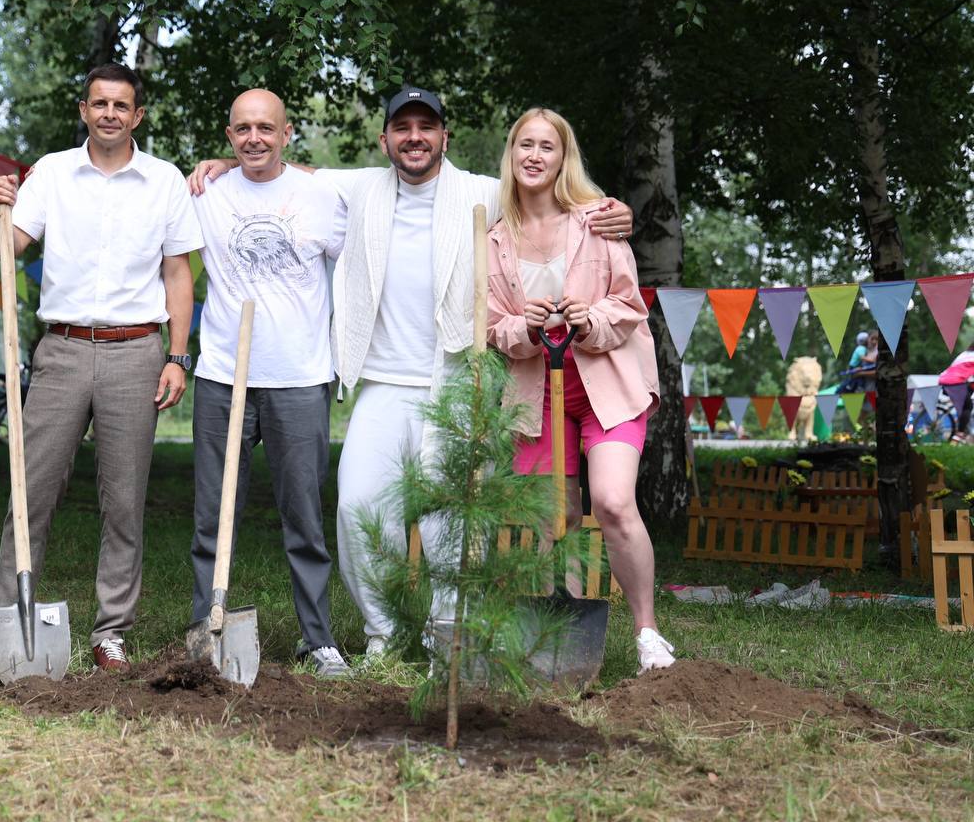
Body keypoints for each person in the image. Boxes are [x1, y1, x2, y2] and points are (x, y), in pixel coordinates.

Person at [191, 87, 633, 656]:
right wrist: (227, 161)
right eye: (403, 128)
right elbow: (279, 163)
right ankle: (386, 629)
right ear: (385, 140)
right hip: (380, 380)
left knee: (450, 518)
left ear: (444, 137)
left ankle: (442, 633)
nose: (415, 137)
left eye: (427, 127)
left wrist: (610, 209)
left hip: (454, 377)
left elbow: (549, 194)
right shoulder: (359, 188)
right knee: (357, 505)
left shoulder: (483, 192)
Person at [0, 62, 201, 670]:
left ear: (138, 115)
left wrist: (179, 356)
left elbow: (178, 272)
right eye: (99, 104)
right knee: (32, 489)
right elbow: (8, 248)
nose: (109, 114)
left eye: (120, 106)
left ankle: (111, 633)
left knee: (124, 501)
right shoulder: (50, 173)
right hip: (64, 349)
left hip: (137, 351)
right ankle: (6, 617)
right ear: (83, 111)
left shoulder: (164, 182)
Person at [485, 107, 673, 675]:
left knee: (613, 503)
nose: (535, 156)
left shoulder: (597, 223)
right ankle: (560, 632)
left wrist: (586, 319)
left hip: (604, 383)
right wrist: (527, 326)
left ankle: (647, 633)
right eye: (525, 144)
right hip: (536, 388)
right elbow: (493, 326)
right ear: (511, 155)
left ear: (564, 159)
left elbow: (629, 304)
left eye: (548, 146)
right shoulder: (494, 239)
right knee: (551, 518)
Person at [188, 89, 349, 677]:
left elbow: (374, 230)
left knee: (303, 514)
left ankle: (318, 638)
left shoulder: (320, 196)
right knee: (214, 513)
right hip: (222, 377)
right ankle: (206, 628)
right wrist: (223, 168)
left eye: (266, 128)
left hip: (300, 378)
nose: (254, 138)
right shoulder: (205, 194)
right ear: (228, 135)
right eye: (242, 130)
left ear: (287, 133)